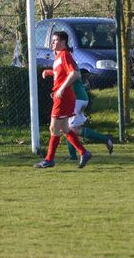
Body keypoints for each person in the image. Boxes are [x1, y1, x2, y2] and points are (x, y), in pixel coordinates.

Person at [34, 31, 91, 169]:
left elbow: (75, 73)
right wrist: (50, 72)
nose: (52, 43)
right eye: (52, 40)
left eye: (55, 40)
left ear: (63, 42)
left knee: (54, 128)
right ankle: (84, 152)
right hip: (62, 96)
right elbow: (62, 72)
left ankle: (49, 159)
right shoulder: (59, 56)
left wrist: (61, 89)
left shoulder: (65, 55)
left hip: (64, 97)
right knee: (65, 128)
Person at [64, 75, 115, 160]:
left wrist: (49, 72)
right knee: (67, 126)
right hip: (77, 98)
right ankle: (72, 156)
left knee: (71, 129)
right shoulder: (63, 65)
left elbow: (72, 76)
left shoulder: (67, 64)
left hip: (77, 99)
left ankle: (106, 139)